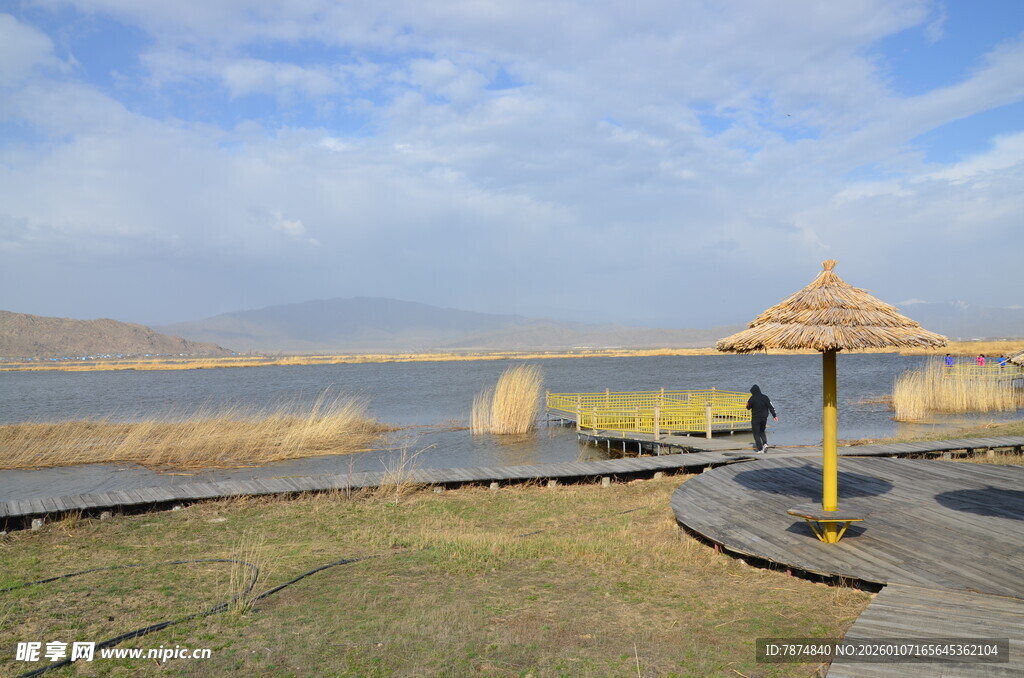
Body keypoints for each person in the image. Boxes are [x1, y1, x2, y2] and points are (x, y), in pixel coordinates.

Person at [746, 384, 778, 454]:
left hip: (756, 418)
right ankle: (765, 444)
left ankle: (760, 449)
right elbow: (770, 406)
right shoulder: (765, 397)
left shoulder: (752, 398)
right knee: (762, 431)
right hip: (764, 418)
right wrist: (774, 415)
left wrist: (747, 403)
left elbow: (748, 407)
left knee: (756, 433)